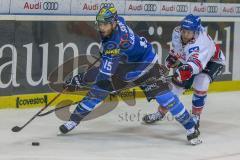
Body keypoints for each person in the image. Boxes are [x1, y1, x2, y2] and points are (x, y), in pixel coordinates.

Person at [59, 7, 201, 145]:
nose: (101, 27)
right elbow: (120, 22)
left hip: (146, 63)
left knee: (164, 97)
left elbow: (103, 73)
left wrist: (79, 79)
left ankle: (191, 127)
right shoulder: (118, 22)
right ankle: (73, 121)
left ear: (113, 23)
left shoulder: (114, 43)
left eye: (105, 24)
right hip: (127, 62)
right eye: (100, 23)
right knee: (98, 90)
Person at [142, 14, 225, 135]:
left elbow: (195, 66)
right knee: (174, 88)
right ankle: (160, 113)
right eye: (184, 31)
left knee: (201, 82)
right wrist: (169, 64)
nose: (185, 35)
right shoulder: (177, 32)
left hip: (212, 62)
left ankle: (196, 116)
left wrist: (181, 72)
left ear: (195, 32)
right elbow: (178, 52)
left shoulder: (202, 43)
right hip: (192, 61)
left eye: (189, 32)